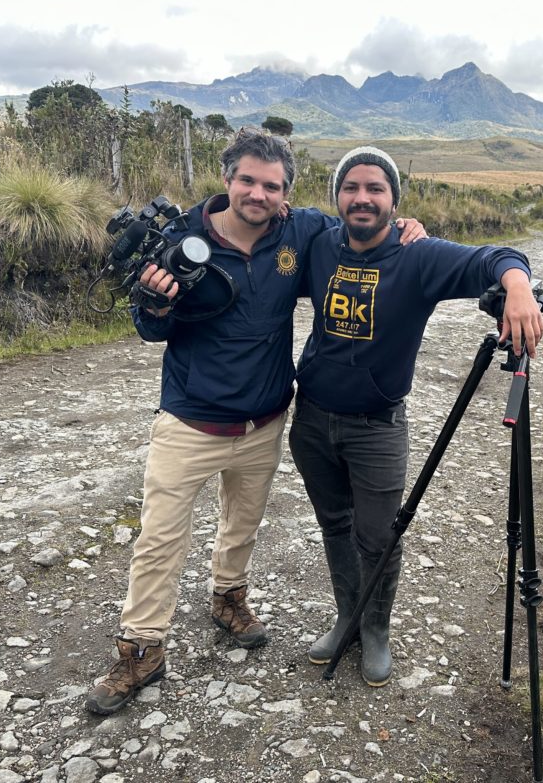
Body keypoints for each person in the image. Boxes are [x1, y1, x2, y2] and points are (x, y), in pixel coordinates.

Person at [86, 131, 425, 715]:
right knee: (161, 537)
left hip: (265, 419)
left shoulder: (302, 232)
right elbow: (151, 329)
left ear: (286, 195)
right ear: (227, 180)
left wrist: (406, 228)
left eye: (271, 185)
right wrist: (156, 302)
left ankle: (228, 598)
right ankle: (142, 647)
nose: (258, 193)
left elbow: (361, 220)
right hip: (190, 422)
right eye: (247, 180)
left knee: (242, 523)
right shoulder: (181, 240)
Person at [288, 146, 543, 687]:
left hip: (377, 426)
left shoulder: (417, 256)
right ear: (337, 196)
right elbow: (259, 217)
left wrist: (517, 286)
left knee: (378, 535)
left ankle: (376, 629)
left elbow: (490, 258)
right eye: (352, 187)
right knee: (334, 524)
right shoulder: (317, 242)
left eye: (375, 189)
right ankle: (347, 619)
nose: (362, 198)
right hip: (311, 419)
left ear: (393, 201)